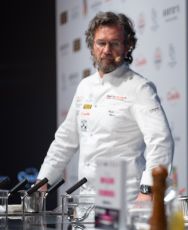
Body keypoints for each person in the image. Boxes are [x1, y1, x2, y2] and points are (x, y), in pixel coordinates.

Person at [36, 11, 174, 202]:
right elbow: (65, 140)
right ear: (92, 46)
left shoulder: (139, 87)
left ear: (128, 47)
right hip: (86, 199)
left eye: (114, 43)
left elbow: (161, 141)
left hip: (126, 199)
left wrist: (148, 190)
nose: (107, 50)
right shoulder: (85, 86)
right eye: (101, 43)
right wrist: (43, 181)